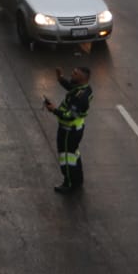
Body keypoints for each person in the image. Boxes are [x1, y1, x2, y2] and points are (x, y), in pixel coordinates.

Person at [42, 66, 93, 194]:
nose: (72, 74)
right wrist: (60, 79)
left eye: (75, 74)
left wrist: (54, 110)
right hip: (76, 129)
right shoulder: (85, 89)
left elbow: (70, 116)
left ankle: (69, 184)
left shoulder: (80, 98)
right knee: (73, 154)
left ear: (82, 78)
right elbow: (71, 88)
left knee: (65, 157)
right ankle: (78, 179)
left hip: (68, 131)